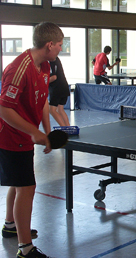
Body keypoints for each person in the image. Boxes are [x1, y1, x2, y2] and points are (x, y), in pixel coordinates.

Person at [0, 21, 63, 258]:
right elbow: (4, 110)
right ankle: (25, 249)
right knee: (27, 187)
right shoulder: (18, 69)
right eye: (59, 45)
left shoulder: (45, 66)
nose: (60, 49)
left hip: (25, 136)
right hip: (11, 137)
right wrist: (34, 132)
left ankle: (10, 227)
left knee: (19, 184)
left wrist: (47, 130)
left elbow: (43, 99)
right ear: (49, 45)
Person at [49, 57, 70, 126]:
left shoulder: (50, 61)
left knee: (52, 110)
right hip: (64, 87)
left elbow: (53, 77)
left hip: (57, 89)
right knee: (60, 110)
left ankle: (64, 128)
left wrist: (42, 83)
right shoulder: (56, 58)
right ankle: (68, 127)